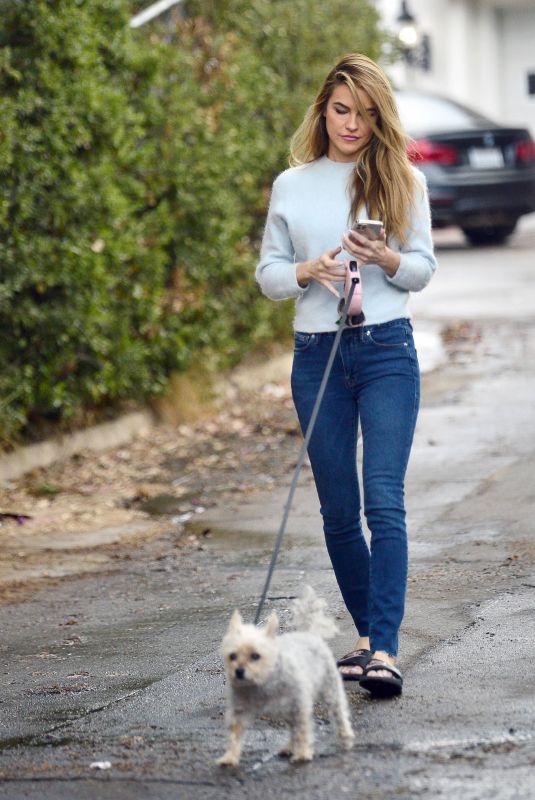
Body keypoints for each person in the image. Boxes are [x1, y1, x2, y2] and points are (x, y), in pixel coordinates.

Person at [255, 53, 437, 697]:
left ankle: (383, 649)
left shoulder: (402, 181)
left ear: (378, 116)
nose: (351, 124)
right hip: (317, 355)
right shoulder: (292, 184)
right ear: (323, 111)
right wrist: (309, 271)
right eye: (340, 110)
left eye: (363, 113)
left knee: (382, 499)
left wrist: (385, 255)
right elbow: (270, 277)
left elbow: (421, 270)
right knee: (338, 509)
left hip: (387, 349)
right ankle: (367, 636)